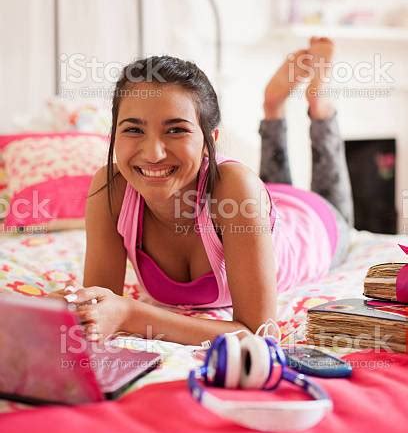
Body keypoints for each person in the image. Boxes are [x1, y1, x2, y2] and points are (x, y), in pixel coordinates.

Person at [65, 37, 353, 345]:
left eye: (176, 130)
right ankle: (273, 107)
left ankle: (315, 107)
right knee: (261, 186)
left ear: (210, 141)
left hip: (315, 222)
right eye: (133, 129)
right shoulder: (109, 190)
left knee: (326, 192)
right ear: (113, 134)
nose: (153, 153)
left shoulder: (237, 187)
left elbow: (260, 334)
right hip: (258, 204)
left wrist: (131, 315)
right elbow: (97, 307)